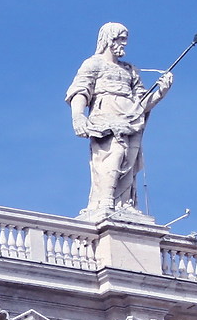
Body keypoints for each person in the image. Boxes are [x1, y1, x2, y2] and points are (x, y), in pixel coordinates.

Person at [66, 23, 172, 221]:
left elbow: (142, 102)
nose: (124, 43)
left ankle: (123, 203)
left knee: (129, 162)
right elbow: (80, 91)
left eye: (125, 39)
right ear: (109, 39)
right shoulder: (93, 64)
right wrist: (78, 116)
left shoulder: (130, 70)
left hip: (131, 120)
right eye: (121, 39)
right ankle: (105, 200)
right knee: (115, 153)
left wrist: (161, 92)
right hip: (105, 118)